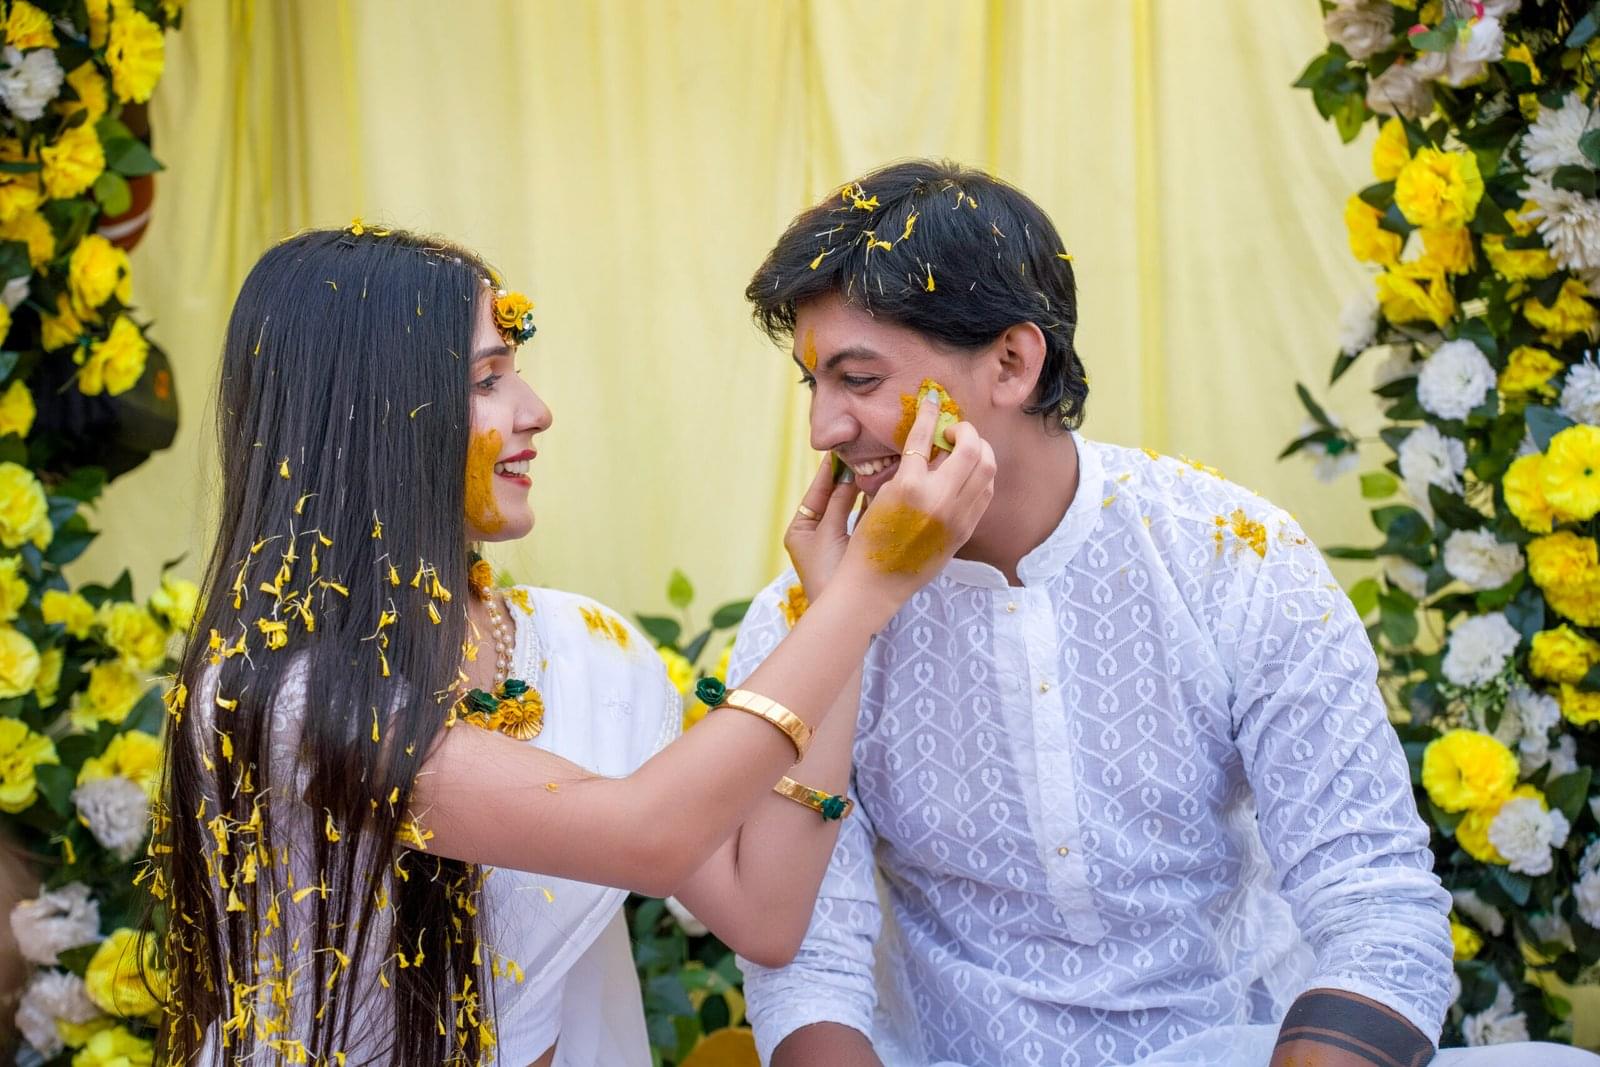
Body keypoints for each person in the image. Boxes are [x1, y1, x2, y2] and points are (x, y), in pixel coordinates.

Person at [727, 159, 1600, 1067]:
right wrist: (850, 612)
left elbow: (1372, 898)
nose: (825, 427)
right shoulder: (808, 614)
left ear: (1014, 363)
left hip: (1243, 1046)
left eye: (858, 379)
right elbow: (809, 965)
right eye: (813, 383)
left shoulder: (1230, 553)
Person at [149, 226, 996, 1066]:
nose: (536, 411)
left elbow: (763, 912)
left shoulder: (584, 647)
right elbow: (645, 837)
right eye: (488, 379)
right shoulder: (285, 694)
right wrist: (864, 594)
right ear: (368, 415)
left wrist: (833, 603)